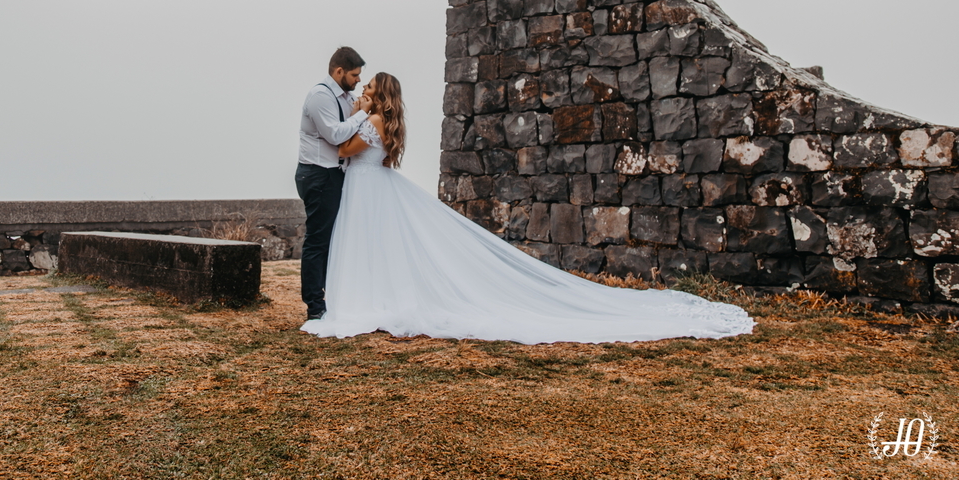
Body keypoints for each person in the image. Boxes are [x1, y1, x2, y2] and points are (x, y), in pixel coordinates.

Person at [301, 72, 755, 344]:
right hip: (371, 187)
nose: (363, 90)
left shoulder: (371, 119)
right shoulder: (386, 120)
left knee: (369, 244)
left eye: (369, 87)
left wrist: (355, 112)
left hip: (366, 186)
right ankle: (374, 297)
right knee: (376, 246)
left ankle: (368, 302)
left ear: (379, 95)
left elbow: (343, 151)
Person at [296, 46, 373, 320]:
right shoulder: (320, 96)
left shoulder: (347, 98)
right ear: (339, 71)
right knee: (318, 241)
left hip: (335, 174)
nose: (359, 80)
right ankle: (315, 307)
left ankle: (335, 300)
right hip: (318, 174)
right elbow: (335, 135)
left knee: (333, 240)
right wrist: (362, 114)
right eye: (354, 75)